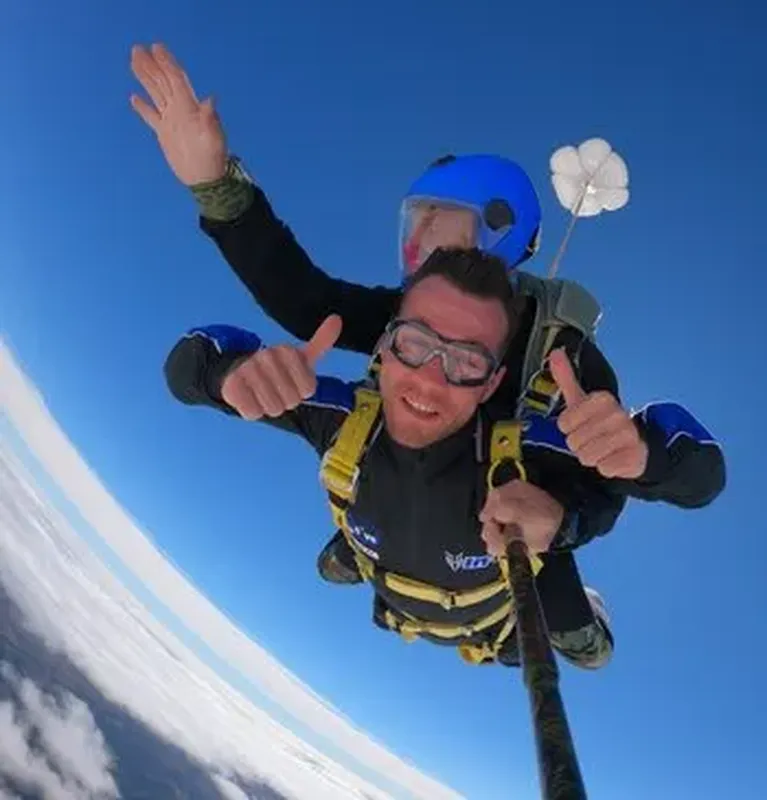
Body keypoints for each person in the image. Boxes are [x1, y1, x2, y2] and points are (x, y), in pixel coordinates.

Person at [165, 247, 635, 668]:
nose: (431, 379)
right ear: (384, 346)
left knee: (585, 647)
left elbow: (637, 479)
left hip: (498, 623)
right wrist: (233, 375)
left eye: (467, 360)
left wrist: (565, 521)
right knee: (339, 552)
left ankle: (573, 616)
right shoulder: (341, 417)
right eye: (414, 343)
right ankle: (358, 548)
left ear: (491, 383)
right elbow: (189, 364)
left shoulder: (520, 460)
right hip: (394, 584)